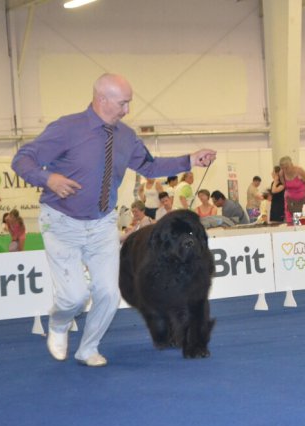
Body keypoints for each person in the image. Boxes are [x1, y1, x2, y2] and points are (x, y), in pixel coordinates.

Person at [11, 73, 216, 367]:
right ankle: (58, 323)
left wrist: (189, 160)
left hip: (102, 223)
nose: (127, 110)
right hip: (61, 222)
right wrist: (49, 178)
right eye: (123, 103)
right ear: (102, 99)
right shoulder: (67, 128)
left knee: (108, 292)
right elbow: (23, 159)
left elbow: (150, 165)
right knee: (74, 298)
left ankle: (88, 348)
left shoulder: (126, 137)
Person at [269, 157, 292, 222]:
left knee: (278, 222)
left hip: (280, 206)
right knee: (273, 221)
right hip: (274, 205)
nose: (271, 173)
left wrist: (276, 181)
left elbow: (274, 191)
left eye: (273, 171)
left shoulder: (282, 183)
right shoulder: (273, 183)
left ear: (277, 173)